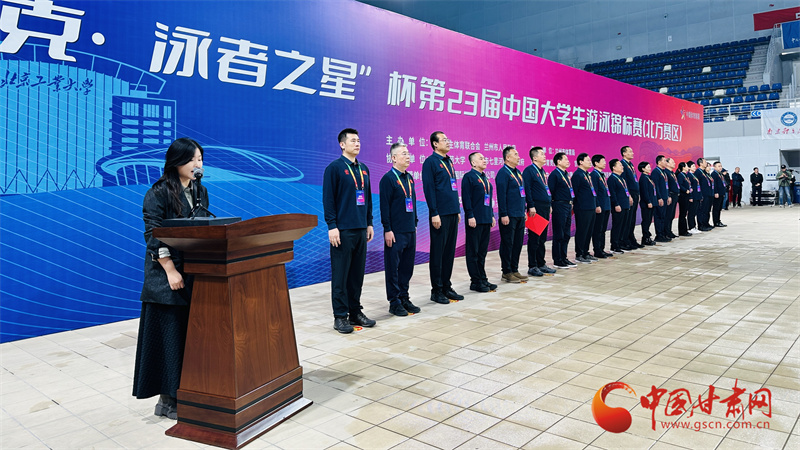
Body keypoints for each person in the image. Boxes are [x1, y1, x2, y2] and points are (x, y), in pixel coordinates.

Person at [134, 137, 208, 420]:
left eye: (200, 159)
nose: (197, 164)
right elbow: (154, 234)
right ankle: (168, 401)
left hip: (192, 272)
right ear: (176, 161)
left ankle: (187, 392)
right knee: (169, 339)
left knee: (186, 337)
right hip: (166, 277)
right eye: (192, 159)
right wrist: (170, 270)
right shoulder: (158, 192)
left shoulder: (200, 191)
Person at [323, 128, 376, 334]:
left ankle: (355, 311)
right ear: (342, 144)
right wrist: (332, 226)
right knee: (341, 275)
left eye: (359, 140)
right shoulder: (334, 168)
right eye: (353, 140)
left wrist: (369, 223)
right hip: (342, 230)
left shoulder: (363, 169)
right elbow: (329, 199)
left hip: (361, 229)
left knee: (356, 275)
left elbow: (368, 198)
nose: (357, 143)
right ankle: (340, 316)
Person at [422, 131, 464, 304]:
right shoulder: (430, 162)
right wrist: (434, 212)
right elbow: (429, 189)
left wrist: (457, 210)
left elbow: (452, 188)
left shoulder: (449, 161)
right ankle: (437, 290)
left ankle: (447, 286)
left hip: (452, 212)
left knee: (449, 252)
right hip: (440, 214)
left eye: (448, 139)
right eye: (444, 140)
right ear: (435, 144)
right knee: (438, 253)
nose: (448, 142)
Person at [380, 143, 421, 317]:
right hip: (395, 232)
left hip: (410, 229)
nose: (408, 156)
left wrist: (415, 223)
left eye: (408, 153)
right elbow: (384, 207)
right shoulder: (388, 179)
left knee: (407, 267)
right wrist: (387, 229)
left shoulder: (409, 178)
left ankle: (404, 297)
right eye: (403, 153)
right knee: (393, 268)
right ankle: (394, 301)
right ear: (394, 158)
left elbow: (413, 202)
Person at [462, 152, 497, 292]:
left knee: (482, 252)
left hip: (486, 219)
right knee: (473, 252)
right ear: (473, 163)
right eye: (481, 158)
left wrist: (491, 215)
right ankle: (475, 281)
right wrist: (470, 215)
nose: (484, 160)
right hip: (475, 220)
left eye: (484, 158)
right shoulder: (469, 177)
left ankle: (483, 278)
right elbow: (466, 198)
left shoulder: (485, 178)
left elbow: (488, 199)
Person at [496, 146, 528, 283]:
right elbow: (501, 196)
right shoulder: (503, 173)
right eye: (515, 154)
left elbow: (522, 193)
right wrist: (503, 214)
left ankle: (515, 269)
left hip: (519, 214)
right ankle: (507, 271)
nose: (518, 157)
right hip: (509, 215)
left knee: (517, 243)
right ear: (507, 158)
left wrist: (524, 210)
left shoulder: (518, 173)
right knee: (508, 244)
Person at [523, 146, 556, 277]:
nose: (545, 156)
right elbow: (527, 189)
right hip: (535, 208)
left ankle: (541, 263)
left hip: (545, 207)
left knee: (542, 238)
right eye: (542, 154)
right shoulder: (529, 171)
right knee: (535, 238)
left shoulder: (542, 172)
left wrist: (549, 204)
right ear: (535, 157)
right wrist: (531, 205)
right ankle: (532, 266)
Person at [548, 152, 576, 268]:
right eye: (565, 159)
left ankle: (564, 257)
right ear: (558, 161)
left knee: (566, 234)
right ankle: (557, 259)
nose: (568, 161)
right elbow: (551, 191)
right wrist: (552, 205)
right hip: (559, 205)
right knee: (559, 234)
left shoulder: (566, 174)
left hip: (568, 206)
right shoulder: (554, 175)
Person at [571, 153, 599, 263]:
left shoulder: (587, 174)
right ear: (581, 162)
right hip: (582, 208)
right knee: (582, 231)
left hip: (591, 206)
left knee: (589, 231)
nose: (590, 162)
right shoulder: (577, 175)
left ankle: (586, 252)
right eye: (587, 160)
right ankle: (579, 254)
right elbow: (575, 192)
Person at [620, 146, 643, 250]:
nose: (632, 153)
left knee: (632, 219)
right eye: (630, 151)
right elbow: (624, 182)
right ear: (624, 153)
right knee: (628, 219)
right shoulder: (623, 164)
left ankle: (631, 239)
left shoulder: (631, 164)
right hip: (629, 194)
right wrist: (628, 195)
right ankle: (625, 240)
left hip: (635, 193)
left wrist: (638, 194)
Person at [590, 154, 613, 259]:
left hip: (606, 205)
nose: (605, 163)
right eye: (602, 161)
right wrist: (597, 205)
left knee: (603, 229)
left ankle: (602, 249)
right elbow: (594, 192)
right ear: (596, 163)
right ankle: (597, 250)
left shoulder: (601, 175)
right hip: (600, 206)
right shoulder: (594, 175)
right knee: (598, 229)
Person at [607, 159, 631, 253]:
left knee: (624, 225)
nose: (622, 167)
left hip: (625, 205)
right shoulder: (612, 179)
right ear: (614, 168)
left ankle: (621, 243)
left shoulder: (622, 178)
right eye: (620, 165)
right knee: (617, 226)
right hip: (618, 206)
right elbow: (612, 193)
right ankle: (614, 245)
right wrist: (616, 204)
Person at [650, 155, 671, 242]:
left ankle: (663, 234)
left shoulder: (664, 172)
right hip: (660, 198)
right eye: (664, 161)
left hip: (665, 196)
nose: (666, 162)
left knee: (663, 216)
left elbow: (666, 186)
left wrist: (668, 196)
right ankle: (659, 235)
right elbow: (656, 186)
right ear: (659, 162)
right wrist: (659, 197)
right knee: (658, 216)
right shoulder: (656, 172)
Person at [638, 162, 657, 246]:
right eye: (648, 167)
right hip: (646, 203)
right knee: (646, 220)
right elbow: (644, 192)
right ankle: (645, 238)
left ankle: (647, 236)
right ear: (643, 169)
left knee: (649, 220)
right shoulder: (643, 178)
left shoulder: (648, 177)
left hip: (652, 201)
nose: (650, 168)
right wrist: (648, 201)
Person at [695, 158, 714, 231]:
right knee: (701, 210)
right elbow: (697, 184)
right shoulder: (698, 172)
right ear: (701, 163)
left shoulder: (705, 172)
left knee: (706, 210)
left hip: (708, 193)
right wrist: (700, 194)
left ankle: (706, 223)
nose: (706, 163)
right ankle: (701, 225)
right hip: (703, 194)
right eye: (705, 162)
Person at [676, 161, 692, 237]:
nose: (688, 167)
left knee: (684, 213)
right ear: (683, 167)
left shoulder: (685, 175)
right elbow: (679, 185)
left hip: (687, 195)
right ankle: (682, 231)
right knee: (682, 214)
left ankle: (685, 230)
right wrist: (685, 190)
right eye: (686, 166)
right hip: (683, 196)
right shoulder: (680, 175)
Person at [665, 158, 680, 239]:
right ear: (667, 163)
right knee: (668, 214)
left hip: (675, 195)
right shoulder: (666, 173)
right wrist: (668, 195)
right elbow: (666, 186)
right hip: (670, 195)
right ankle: (666, 231)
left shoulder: (672, 173)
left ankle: (669, 231)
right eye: (672, 162)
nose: (674, 163)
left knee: (672, 215)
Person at [686, 161, 701, 234]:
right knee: (691, 212)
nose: (695, 167)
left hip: (697, 195)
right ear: (689, 167)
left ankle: (694, 226)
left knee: (695, 212)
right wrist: (690, 196)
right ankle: (691, 227)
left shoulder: (694, 175)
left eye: (695, 166)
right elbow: (690, 187)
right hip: (693, 196)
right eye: (693, 166)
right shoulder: (689, 175)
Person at [711, 161, 726, 227]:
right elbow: (714, 184)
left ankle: (718, 220)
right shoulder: (714, 174)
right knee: (716, 208)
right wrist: (715, 192)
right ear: (714, 167)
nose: (720, 167)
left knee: (719, 208)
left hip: (721, 193)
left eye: (721, 166)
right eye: (719, 166)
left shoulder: (720, 174)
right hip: (717, 193)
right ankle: (716, 222)